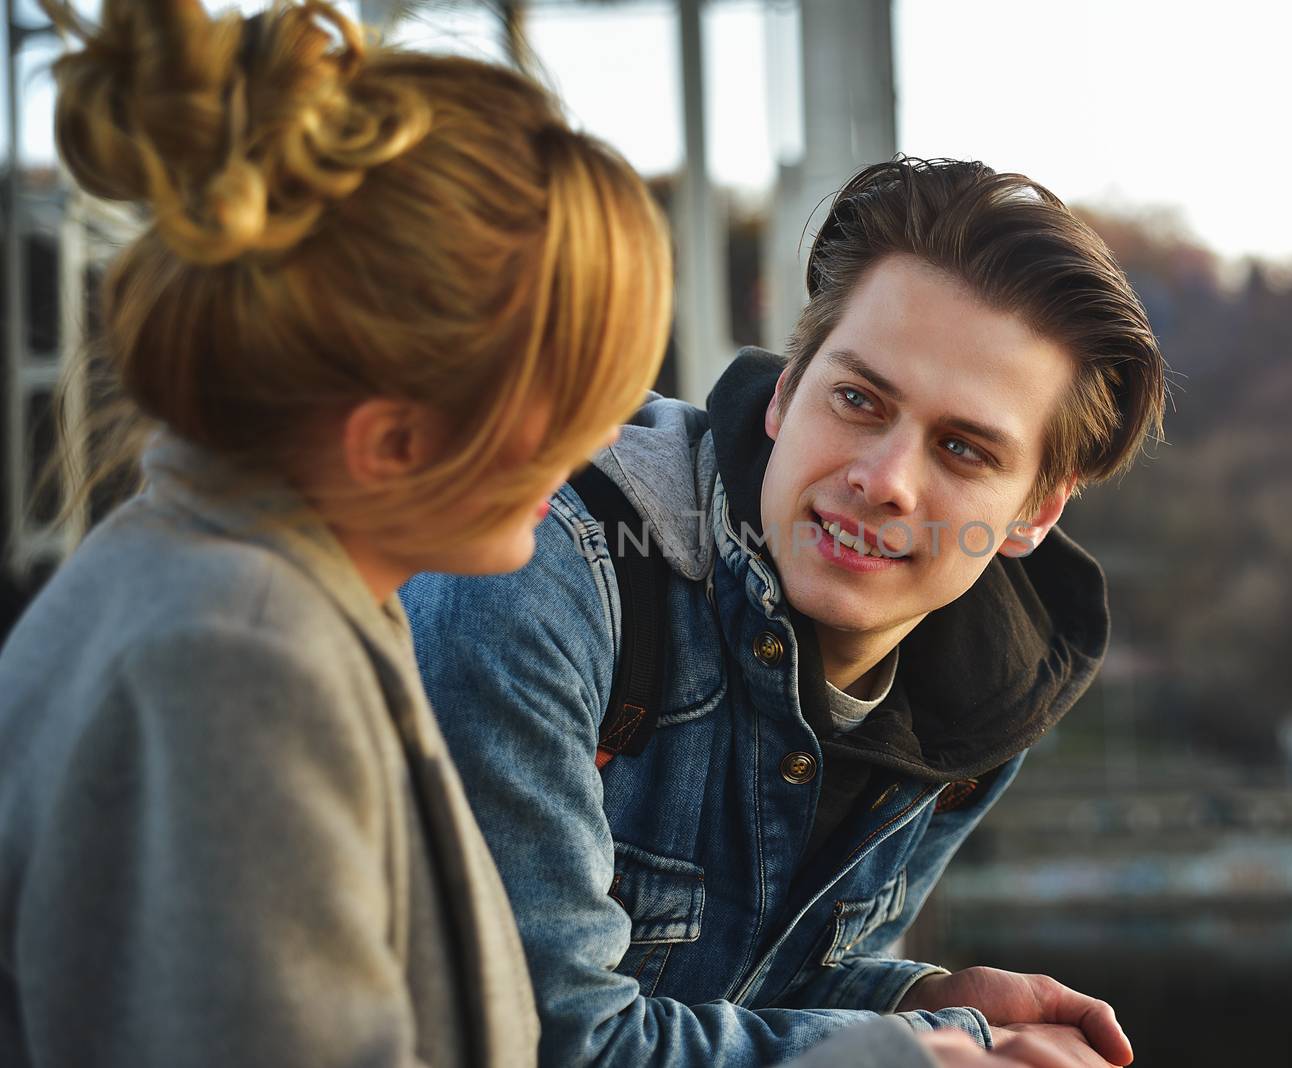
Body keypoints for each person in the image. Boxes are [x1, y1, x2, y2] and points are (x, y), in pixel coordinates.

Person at [0, 1, 673, 1064]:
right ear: (395, 442)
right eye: (574, 402)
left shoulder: (234, 597)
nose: (600, 447)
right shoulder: (236, 666)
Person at [402, 155, 1167, 1067]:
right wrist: (934, 1051)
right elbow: (549, 1043)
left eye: (963, 450)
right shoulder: (543, 562)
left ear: (1037, 512)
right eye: (857, 399)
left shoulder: (983, 699)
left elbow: (765, 988)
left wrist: (917, 995)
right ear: (785, 390)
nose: (883, 480)